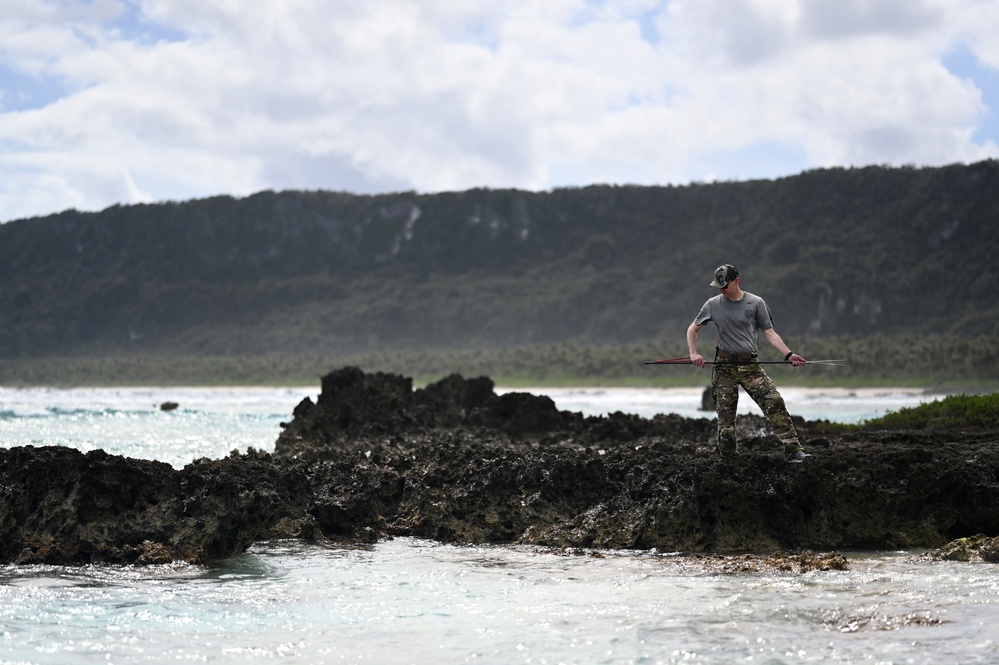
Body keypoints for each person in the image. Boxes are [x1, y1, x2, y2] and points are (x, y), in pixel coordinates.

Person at [686, 264, 810, 463]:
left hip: (750, 367)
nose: (721, 290)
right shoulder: (712, 304)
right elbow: (692, 330)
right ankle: (729, 459)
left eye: (724, 285)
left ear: (736, 281)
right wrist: (694, 354)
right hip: (724, 367)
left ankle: (793, 450)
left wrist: (789, 355)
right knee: (726, 419)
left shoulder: (756, 303)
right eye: (718, 286)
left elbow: (770, 334)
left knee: (774, 401)